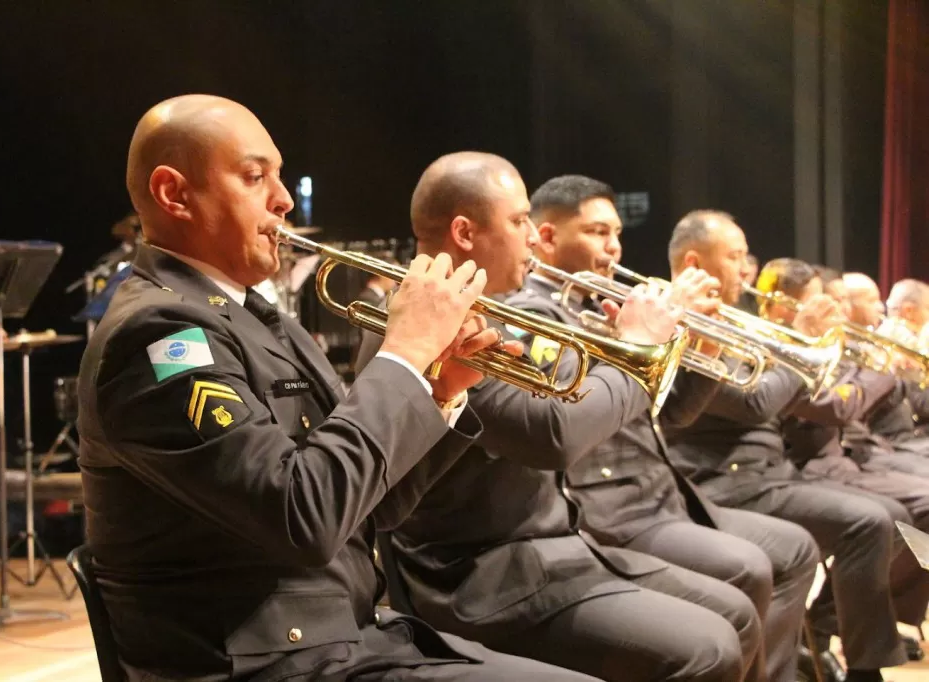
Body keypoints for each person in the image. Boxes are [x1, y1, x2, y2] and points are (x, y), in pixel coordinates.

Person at [77, 95, 598, 682]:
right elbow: (305, 517)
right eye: (254, 177)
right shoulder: (158, 336)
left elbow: (373, 509)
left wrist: (442, 391)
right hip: (265, 663)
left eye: (278, 176)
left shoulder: (259, 319)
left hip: (343, 637)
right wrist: (402, 354)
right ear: (175, 194)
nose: (282, 199)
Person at [358, 154, 766, 682]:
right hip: (479, 576)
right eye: (519, 220)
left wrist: (635, 351)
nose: (532, 237)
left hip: (551, 545)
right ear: (464, 232)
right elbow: (553, 435)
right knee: (707, 648)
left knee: (735, 614)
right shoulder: (429, 321)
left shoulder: (481, 307)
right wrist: (636, 347)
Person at [521, 175, 819, 682]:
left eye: (615, 232)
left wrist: (700, 344)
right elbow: (569, 420)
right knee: (746, 574)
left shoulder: (602, 305)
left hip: (662, 492)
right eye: (596, 232)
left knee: (792, 552)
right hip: (609, 505)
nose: (613, 246)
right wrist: (642, 338)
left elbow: (675, 411)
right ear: (546, 238)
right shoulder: (537, 314)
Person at [663, 211, 912, 682]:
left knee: (890, 516)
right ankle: (856, 667)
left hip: (771, 473)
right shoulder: (681, 323)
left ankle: (834, 642)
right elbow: (755, 402)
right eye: (735, 257)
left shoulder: (734, 323)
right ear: (695, 260)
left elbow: (800, 397)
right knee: (870, 521)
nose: (745, 270)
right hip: (721, 480)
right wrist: (802, 342)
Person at [757, 259, 929, 634]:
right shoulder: (781, 350)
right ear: (786, 306)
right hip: (811, 466)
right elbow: (838, 406)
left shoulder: (827, 345)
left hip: (847, 459)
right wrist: (884, 366)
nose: (837, 311)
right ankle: (839, 614)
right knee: (903, 510)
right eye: (825, 302)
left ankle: (851, 610)